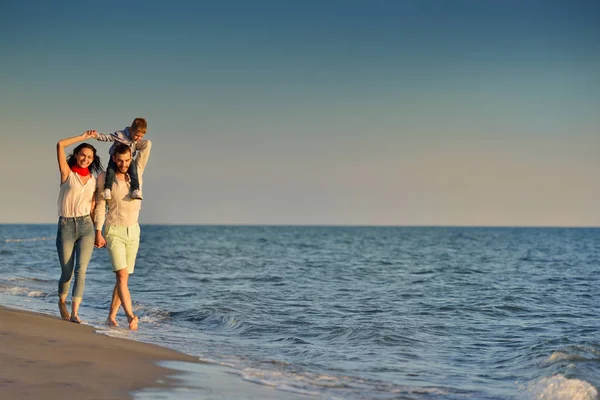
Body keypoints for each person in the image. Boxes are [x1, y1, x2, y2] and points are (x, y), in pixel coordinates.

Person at [94, 140, 152, 330]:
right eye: (120, 161)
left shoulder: (137, 173)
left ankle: (111, 316)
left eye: (127, 160)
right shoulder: (104, 178)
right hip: (114, 230)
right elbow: (101, 205)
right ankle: (130, 316)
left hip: (133, 231)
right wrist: (98, 231)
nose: (124, 164)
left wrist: (131, 140)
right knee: (121, 276)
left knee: (123, 278)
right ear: (113, 158)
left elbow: (148, 145)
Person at [56, 131, 104, 323]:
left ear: (93, 160)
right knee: (67, 271)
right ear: (76, 155)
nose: (85, 159)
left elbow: (94, 207)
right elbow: (60, 144)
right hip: (66, 225)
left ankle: (75, 313)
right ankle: (61, 302)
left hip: (86, 226)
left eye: (89, 157)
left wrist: (98, 232)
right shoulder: (67, 174)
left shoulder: (93, 181)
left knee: (81, 271)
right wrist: (84, 136)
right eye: (82, 155)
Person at [92, 118, 148, 200]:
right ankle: (107, 189)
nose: (138, 138)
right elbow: (109, 137)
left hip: (128, 158)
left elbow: (145, 145)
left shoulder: (135, 139)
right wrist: (96, 136)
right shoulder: (121, 135)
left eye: (141, 136)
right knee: (111, 171)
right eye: (137, 135)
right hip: (115, 158)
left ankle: (135, 189)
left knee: (133, 171)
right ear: (131, 130)